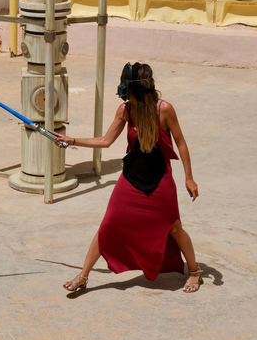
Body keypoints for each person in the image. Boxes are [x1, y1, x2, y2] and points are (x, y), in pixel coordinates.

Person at [57, 62, 203, 293]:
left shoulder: (164, 109)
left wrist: (189, 178)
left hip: (160, 178)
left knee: (174, 228)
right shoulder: (125, 110)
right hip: (131, 177)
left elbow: (181, 143)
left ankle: (194, 272)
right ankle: (83, 276)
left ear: (136, 89)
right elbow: (106, 141)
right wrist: (71, 140)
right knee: (109, 223)